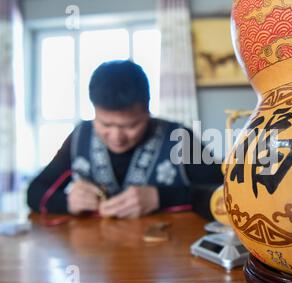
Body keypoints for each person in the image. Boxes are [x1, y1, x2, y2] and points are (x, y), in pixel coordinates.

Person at [27, 60, 223, 219]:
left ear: (147, 111)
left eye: (130, 126)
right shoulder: (80, 136)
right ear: (94, 111)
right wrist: (68, 202)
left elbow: (224, 196)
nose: (116, 137)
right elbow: (34, 193)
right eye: (105, 124)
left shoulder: (180, 138)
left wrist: (161, 197)